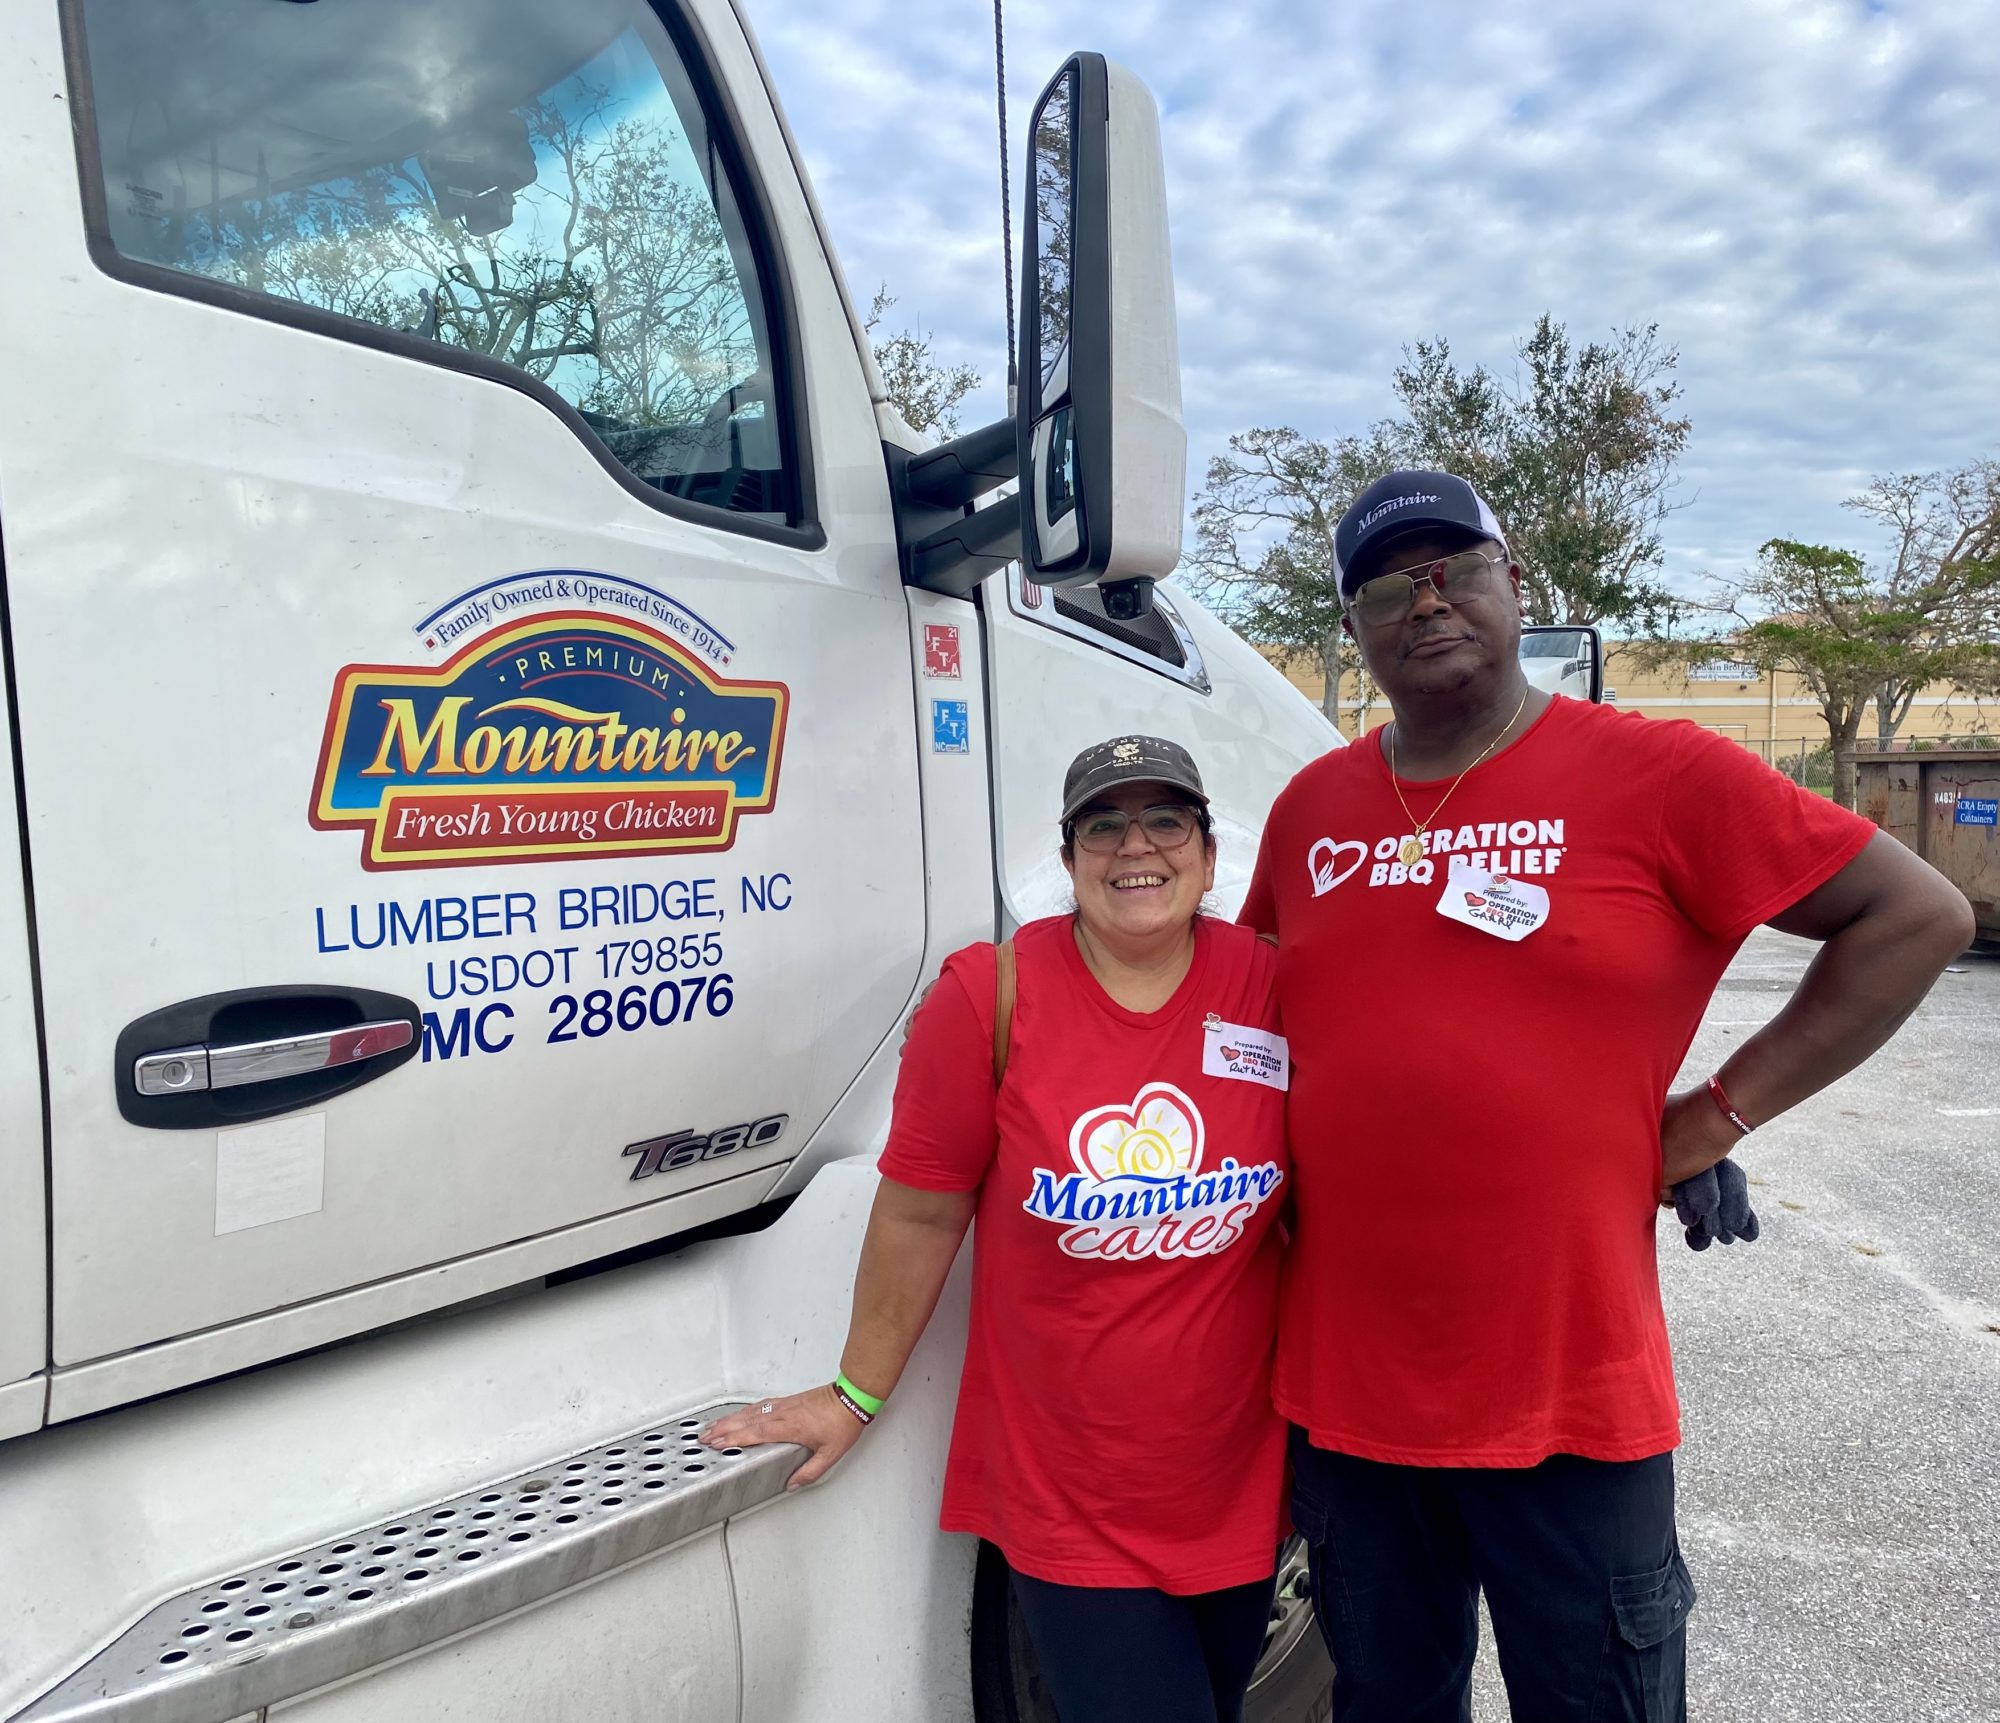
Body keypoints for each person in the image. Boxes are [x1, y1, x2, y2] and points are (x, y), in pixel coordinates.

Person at [1239, 469, 1973, 1723]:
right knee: (1380, 1702)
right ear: (1349, 625)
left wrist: (1711, 1114)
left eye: (1450, 568)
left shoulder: (1659, 775)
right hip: (1347, 1401)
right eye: (1383, 585)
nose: (1424, 602)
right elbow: (1247, 1036)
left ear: (1512, 579)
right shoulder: (1313, 810)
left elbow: (1915, 916)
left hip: (1565, 1399)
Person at [707, 735, 1294, 1723]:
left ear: (1204, 853)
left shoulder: (1271, 986)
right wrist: (853, 1392)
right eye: (1101, 824)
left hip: (1241, 1480)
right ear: (1066, 863)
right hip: (1073, 1493)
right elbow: (921, 1207)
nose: (1132, 845)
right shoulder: (991, 995)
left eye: (1163, 820)